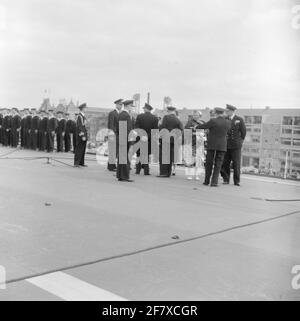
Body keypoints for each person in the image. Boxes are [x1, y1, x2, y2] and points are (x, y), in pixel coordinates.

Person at [196, 107, 231, 187]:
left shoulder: (213, 121)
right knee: (218, 164)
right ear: (223, 113)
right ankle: (214, 182)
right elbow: (229, 131)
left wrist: (196, 127)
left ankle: (206, 181)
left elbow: (204, 126)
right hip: (222, 145)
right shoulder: (228, 122)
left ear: (216, 113)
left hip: (212, 144)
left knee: (209, 163)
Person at [221, 104, 247, 186]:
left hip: (236, 145)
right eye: (226, 111)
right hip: (226, 144)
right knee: (225, 163)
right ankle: (226, 179)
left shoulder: (239, 119)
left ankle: (237, 181)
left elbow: (243, 132)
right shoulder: (224, 119)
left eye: (227, 111)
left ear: (232, 111)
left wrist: (240, 142)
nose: (226, 112)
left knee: (236, 163)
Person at [157, 106, 183, 178]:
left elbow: (163, 127)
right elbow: (181, 129)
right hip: (173, 140)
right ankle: (168, 173)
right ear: (174, 111)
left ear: (168, 111)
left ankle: (163, 173)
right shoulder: (177, 119)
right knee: (170, 157)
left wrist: (159, 127)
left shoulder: (166, 117)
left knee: (164, 157)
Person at [134, 103, 159, 175]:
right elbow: (155, 131)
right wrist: (147, 136)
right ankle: (146, 171)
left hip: (139, 138)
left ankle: (137, 170)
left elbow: (137, 128)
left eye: (144, 108)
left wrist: (142, 136)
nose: (143, 109)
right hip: (148, 139)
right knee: (146, 154)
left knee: (138, 154)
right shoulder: (155, 118)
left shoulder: (139, 116)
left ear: (146, 109)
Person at [116, 100, 135, 182]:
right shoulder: (126, 115)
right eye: (131, 106)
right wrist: (131, 141)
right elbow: (127, 130)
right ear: (128, 106)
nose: (132, 108)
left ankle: (120, 175)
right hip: (125, 138)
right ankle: (124, 176)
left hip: (121, 137)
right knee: (125, 158)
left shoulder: (121, 114)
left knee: (121, 158)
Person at [184, 110, 206, 180]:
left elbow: (206, 131)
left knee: (199, 159)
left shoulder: (203, 123)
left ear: (200, 116)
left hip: (200, 143)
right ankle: (190, 174)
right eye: (194, 115)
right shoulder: (189, 122)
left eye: (196, 115)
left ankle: (197, 174)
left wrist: (203, 135)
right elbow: (186, 132)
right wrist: (195, 134)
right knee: (191, 159)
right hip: (191, 142)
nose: (195, 116)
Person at [107, 99, 123, 171]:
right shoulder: (112, 113)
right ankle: (111, 166)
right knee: (113, 151)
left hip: (118, 134)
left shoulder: (120, 113)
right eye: (120, 104)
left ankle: (112, 165)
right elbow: (111, 125)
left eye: (121, 105)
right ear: (116, 105)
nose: (121, 106)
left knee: (115, 151)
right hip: (113, 134)